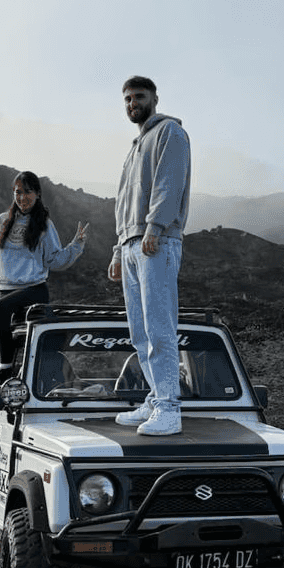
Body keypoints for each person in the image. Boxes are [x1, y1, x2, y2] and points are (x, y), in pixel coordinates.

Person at [108, 76, 191, 435]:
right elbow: (123, 202)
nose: (132, 103)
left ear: (155, 98)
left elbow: (168, 183)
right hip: (132, 244)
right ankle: (156, 399)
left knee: (159, 327)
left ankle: (170, 408)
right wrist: (117, 248)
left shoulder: (169, 133)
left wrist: (155, 227)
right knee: (140, 332)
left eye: (138, 97)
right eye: (127, 98)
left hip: (155, 241)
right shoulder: (135, 145)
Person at [0, 171, 89, 385]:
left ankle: (7, 370)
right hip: (5, 294)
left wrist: (76, 246)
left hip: (33, 291)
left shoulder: (44, 225)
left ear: (37, 194)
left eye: (28, 192)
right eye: (18, 192)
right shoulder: (1, 221)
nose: (22, 197)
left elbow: (55, 260)